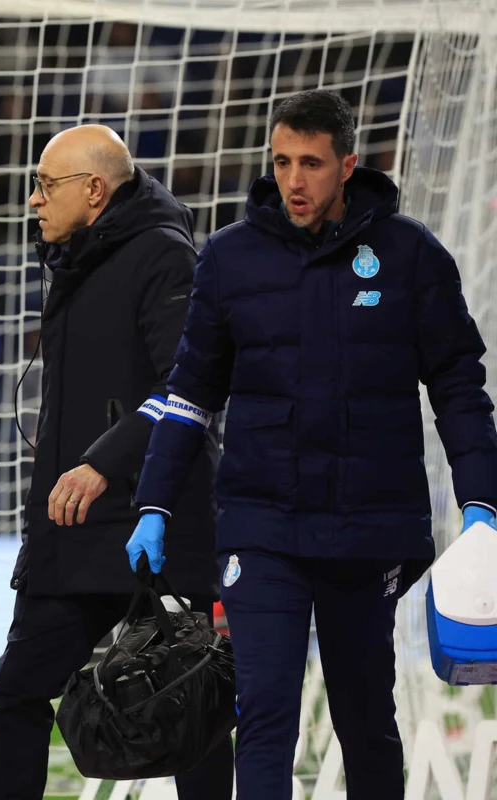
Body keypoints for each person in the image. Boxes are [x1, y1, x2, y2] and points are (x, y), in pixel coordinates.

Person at [129, 89, 497, 797]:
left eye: (311, 163)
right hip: (262, 527)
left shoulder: (411, 255)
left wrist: (482, 499)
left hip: (369, 529)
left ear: (348, 166)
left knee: (365, 719)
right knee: (264, 713)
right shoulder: (229, 259)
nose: (293, 180)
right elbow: (191, 393)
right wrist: (154, 503)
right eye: (281, 162)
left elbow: (458, 386)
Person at [0, 124, 233, 799]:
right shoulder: (77, 256)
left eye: (45, 185)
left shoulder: (164, 254)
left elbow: (191, 384)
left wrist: (104, 461)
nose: (34, 200)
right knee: (19, 691)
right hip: (76, 526)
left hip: (160, 514)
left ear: (94, 190)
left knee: (192, 701)